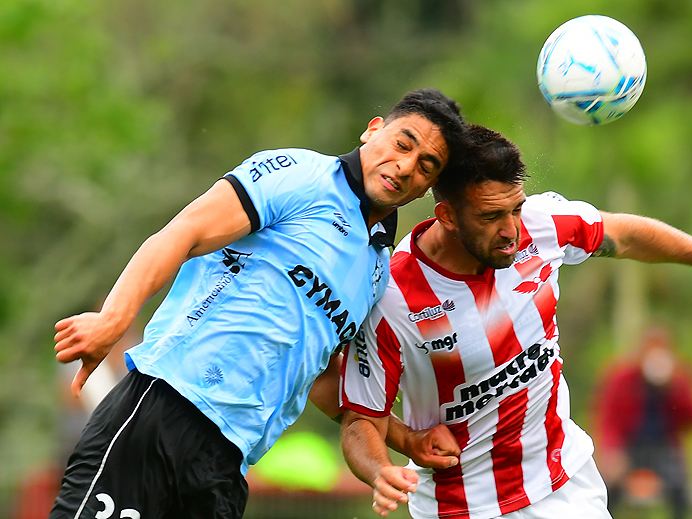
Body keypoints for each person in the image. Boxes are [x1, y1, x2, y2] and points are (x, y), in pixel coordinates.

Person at [50, 88, 468, 519]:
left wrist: (405, 438)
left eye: (426, 166)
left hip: (228, 464)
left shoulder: (377, 269)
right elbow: (185, 232)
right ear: (372, 130)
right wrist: (114, 318)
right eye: (403, 144)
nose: (405, 166)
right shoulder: (302, 175)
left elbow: (322, 376)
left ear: (427, 189)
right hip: (162, 410)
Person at [339, 124, 692, 519]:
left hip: (565, 484)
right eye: (491, 216)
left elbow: (624, 235)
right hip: (464, 506)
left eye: (515, 208)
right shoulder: (392, 297)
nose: (512, 229)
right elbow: (361, 418)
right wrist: (381, 469)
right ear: (448, 216)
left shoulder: (540, 223)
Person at [594, 325, 692, 519]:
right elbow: (608, 418)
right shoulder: (621, 378)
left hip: (664, 446)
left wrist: (674, 387)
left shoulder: (680, 378)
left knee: (679, 488)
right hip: (629, 445)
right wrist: (612, 452)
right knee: (608, 488)